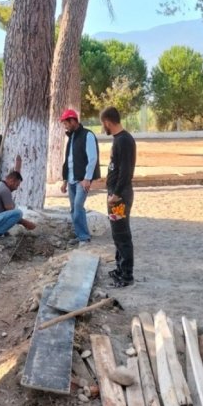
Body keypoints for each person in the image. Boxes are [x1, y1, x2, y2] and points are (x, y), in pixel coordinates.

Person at [100, 106, 136, 287]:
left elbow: (126, 172)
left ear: (107, 122)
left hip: (119, 197)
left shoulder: (124, 140)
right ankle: (120, 269)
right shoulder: (119, 140)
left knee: (122, 235)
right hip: (115, 195)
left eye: (103, 125)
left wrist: (116, 193)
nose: (103, 128)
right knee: (116, 234)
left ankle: (126, 276)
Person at [59, 109, 100, 246]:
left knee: (78, 207)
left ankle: (84, 237)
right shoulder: (71, 138)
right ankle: (80, 235)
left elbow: (92, 158)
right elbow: (68, 160)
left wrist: (87, 178)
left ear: (73, 121)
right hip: (71, 179)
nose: (65, 126)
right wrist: (65, 181)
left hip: (82, 180)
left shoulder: (87, 135)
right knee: (73, 209)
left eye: (66, 123)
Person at [0, 171, 37, 244]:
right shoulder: (5, 190)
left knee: (13, 206)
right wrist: (26, 223)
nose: (16, 188)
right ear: (11, 181)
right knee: (18, 213)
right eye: (17, 185)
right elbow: (10, 211)